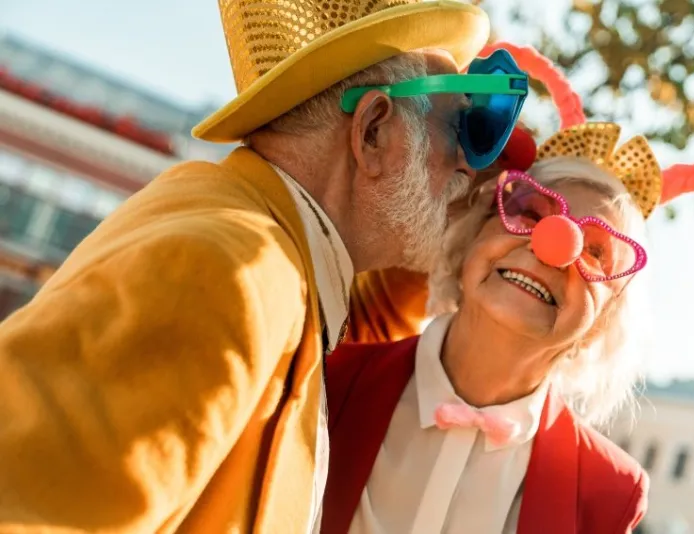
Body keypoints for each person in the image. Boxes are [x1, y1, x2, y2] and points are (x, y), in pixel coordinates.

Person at [0, 1, 541, 532]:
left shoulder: (272, 262)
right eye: (457, 128)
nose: (469, 165)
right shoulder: (227, 272)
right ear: (373, 131)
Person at [320, 43, 694, 534]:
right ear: (471, 236)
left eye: (596, 252)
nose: (552, 247)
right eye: (528, 211)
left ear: (604, 322)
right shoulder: (327, 380)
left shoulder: (611, 492)